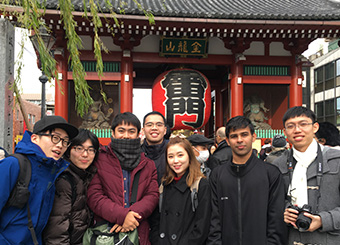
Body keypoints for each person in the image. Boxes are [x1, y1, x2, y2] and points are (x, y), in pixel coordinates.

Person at [207, 116, 286, 245]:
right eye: (234, 136)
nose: (239, 140)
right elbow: (214, 219)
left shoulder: (270, 173)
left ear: (253, 137)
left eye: (244, 135)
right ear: (227, 140)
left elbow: (276, 220)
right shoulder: (218, 175)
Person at [0, 115, 78, 244]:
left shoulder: (52, 172)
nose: (60, 145)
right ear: (35, 138)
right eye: (55, 138)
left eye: (65, 141)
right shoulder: (12, 165)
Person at [87, 112, 159, 245]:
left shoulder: (148, 164)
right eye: (121, 131)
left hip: (138, 231)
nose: (126, 135)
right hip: (106, 231)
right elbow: (94, 195)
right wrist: (122, 216)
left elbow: (152, 195)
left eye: (131, 131)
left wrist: (130, 217)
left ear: (138, 134)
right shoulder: (99, 159)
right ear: (113, 133)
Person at [272, 106, 340, 245]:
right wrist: (284, 211)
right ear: (285, 132)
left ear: (315, 127)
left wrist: (323, 220)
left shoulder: (336, 159)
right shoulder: (279, 164)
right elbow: (273, 202)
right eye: (291, 126)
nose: (297, 130)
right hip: (292, 239)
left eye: (303, 124)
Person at [43, 129, 99, 244]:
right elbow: (57, 229)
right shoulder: (64, 180)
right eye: (79, 148)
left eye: (91, 150)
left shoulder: (86, 176)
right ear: (68, 151)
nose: (85, 154)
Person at [155, 136, 211, 244]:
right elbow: (156, 220)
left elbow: (202, 225)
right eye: (170, 156)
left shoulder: (201, 184)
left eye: (180, 155)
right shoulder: (163, 185)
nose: (175, 161)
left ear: (189, 156)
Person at [141, 111, 169, 185]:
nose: (154, 128)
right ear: (143, 130)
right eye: (149, 125)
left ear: (165, 130)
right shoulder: (136, 151)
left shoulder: (173, 150)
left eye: (159, 125)